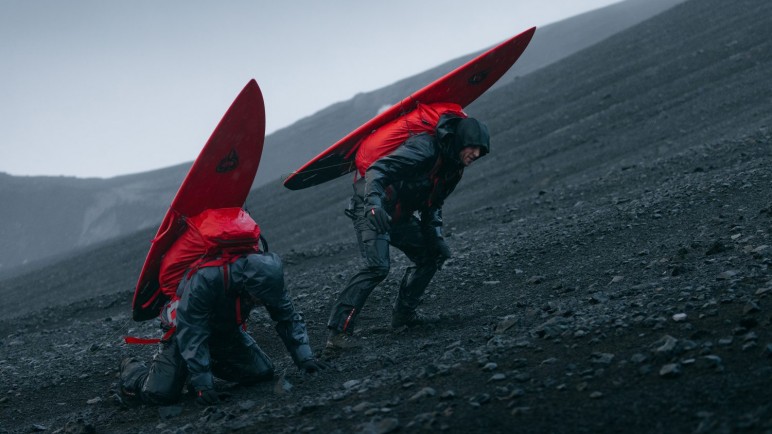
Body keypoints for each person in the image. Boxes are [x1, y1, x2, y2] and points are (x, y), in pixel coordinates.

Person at [326, 114, 490, 350]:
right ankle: (337, 334)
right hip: (372, 207)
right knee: (377, 267)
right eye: (474, 147)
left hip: (398, 216)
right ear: (463, 139)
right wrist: (373, 204)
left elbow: (433, 206)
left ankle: (403, 317)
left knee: (431, 256)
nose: (476, 154)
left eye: (481, 151)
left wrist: (436, 239)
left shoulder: (453, 168)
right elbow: (377, 169)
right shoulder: (424, 148)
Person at [120, 251, 327, 405]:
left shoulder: (267, 280)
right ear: (247, 286)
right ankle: (132, 370)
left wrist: (304, 358)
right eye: (260, 299)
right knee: (159, 394)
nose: (263, 304)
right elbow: (192, 333)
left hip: (224, 333)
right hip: (182, 336)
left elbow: (287, 317)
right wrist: (204, 386)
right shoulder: (206, 280)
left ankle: (195, 372)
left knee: (261, 373)